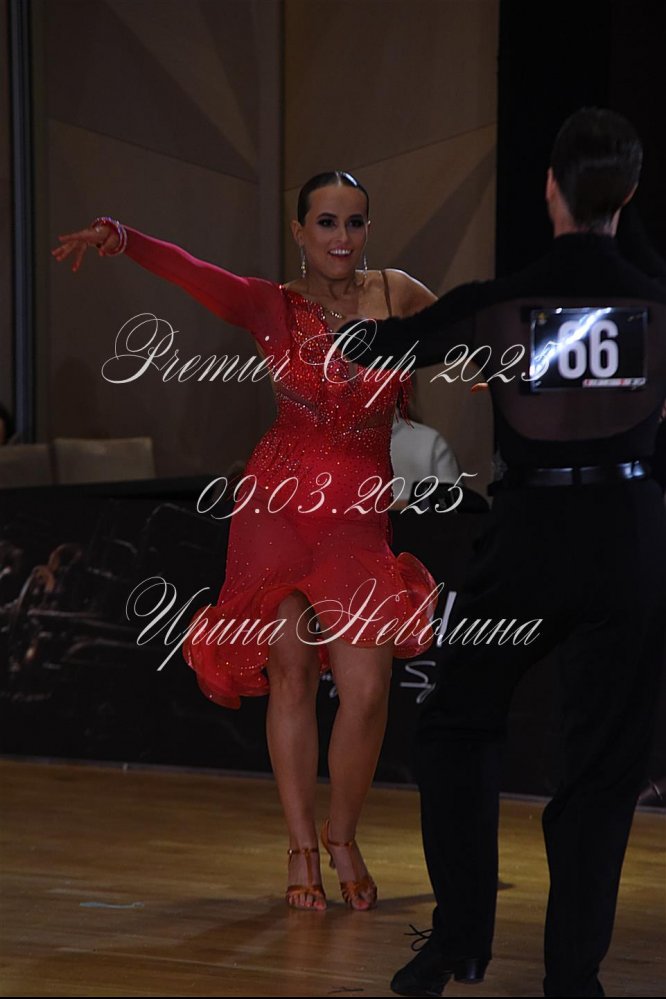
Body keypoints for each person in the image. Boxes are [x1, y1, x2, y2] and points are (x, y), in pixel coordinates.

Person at [337, 110, 666, 995]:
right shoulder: (655, 303)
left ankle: (461, 941)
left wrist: (363, 301)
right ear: (629, 195)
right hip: (631, 542)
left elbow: (374, 348)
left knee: (454, 725)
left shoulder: (499, 303)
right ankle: (573, 978)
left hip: (529, 544)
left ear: (549, 188)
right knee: (605, 767)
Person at [51, 171, 439, 912]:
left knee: (365, 689)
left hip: (355, 514)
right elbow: (195, 273)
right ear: (299, 232)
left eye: (355, 222)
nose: (342, 237)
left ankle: (341, 834)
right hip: (276, 507)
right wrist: (123, 239)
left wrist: (482, 362)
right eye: (326, 222)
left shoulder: (396, 293)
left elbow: (464, 323)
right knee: (290, 669)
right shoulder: (272, 305)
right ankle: (301, 846)